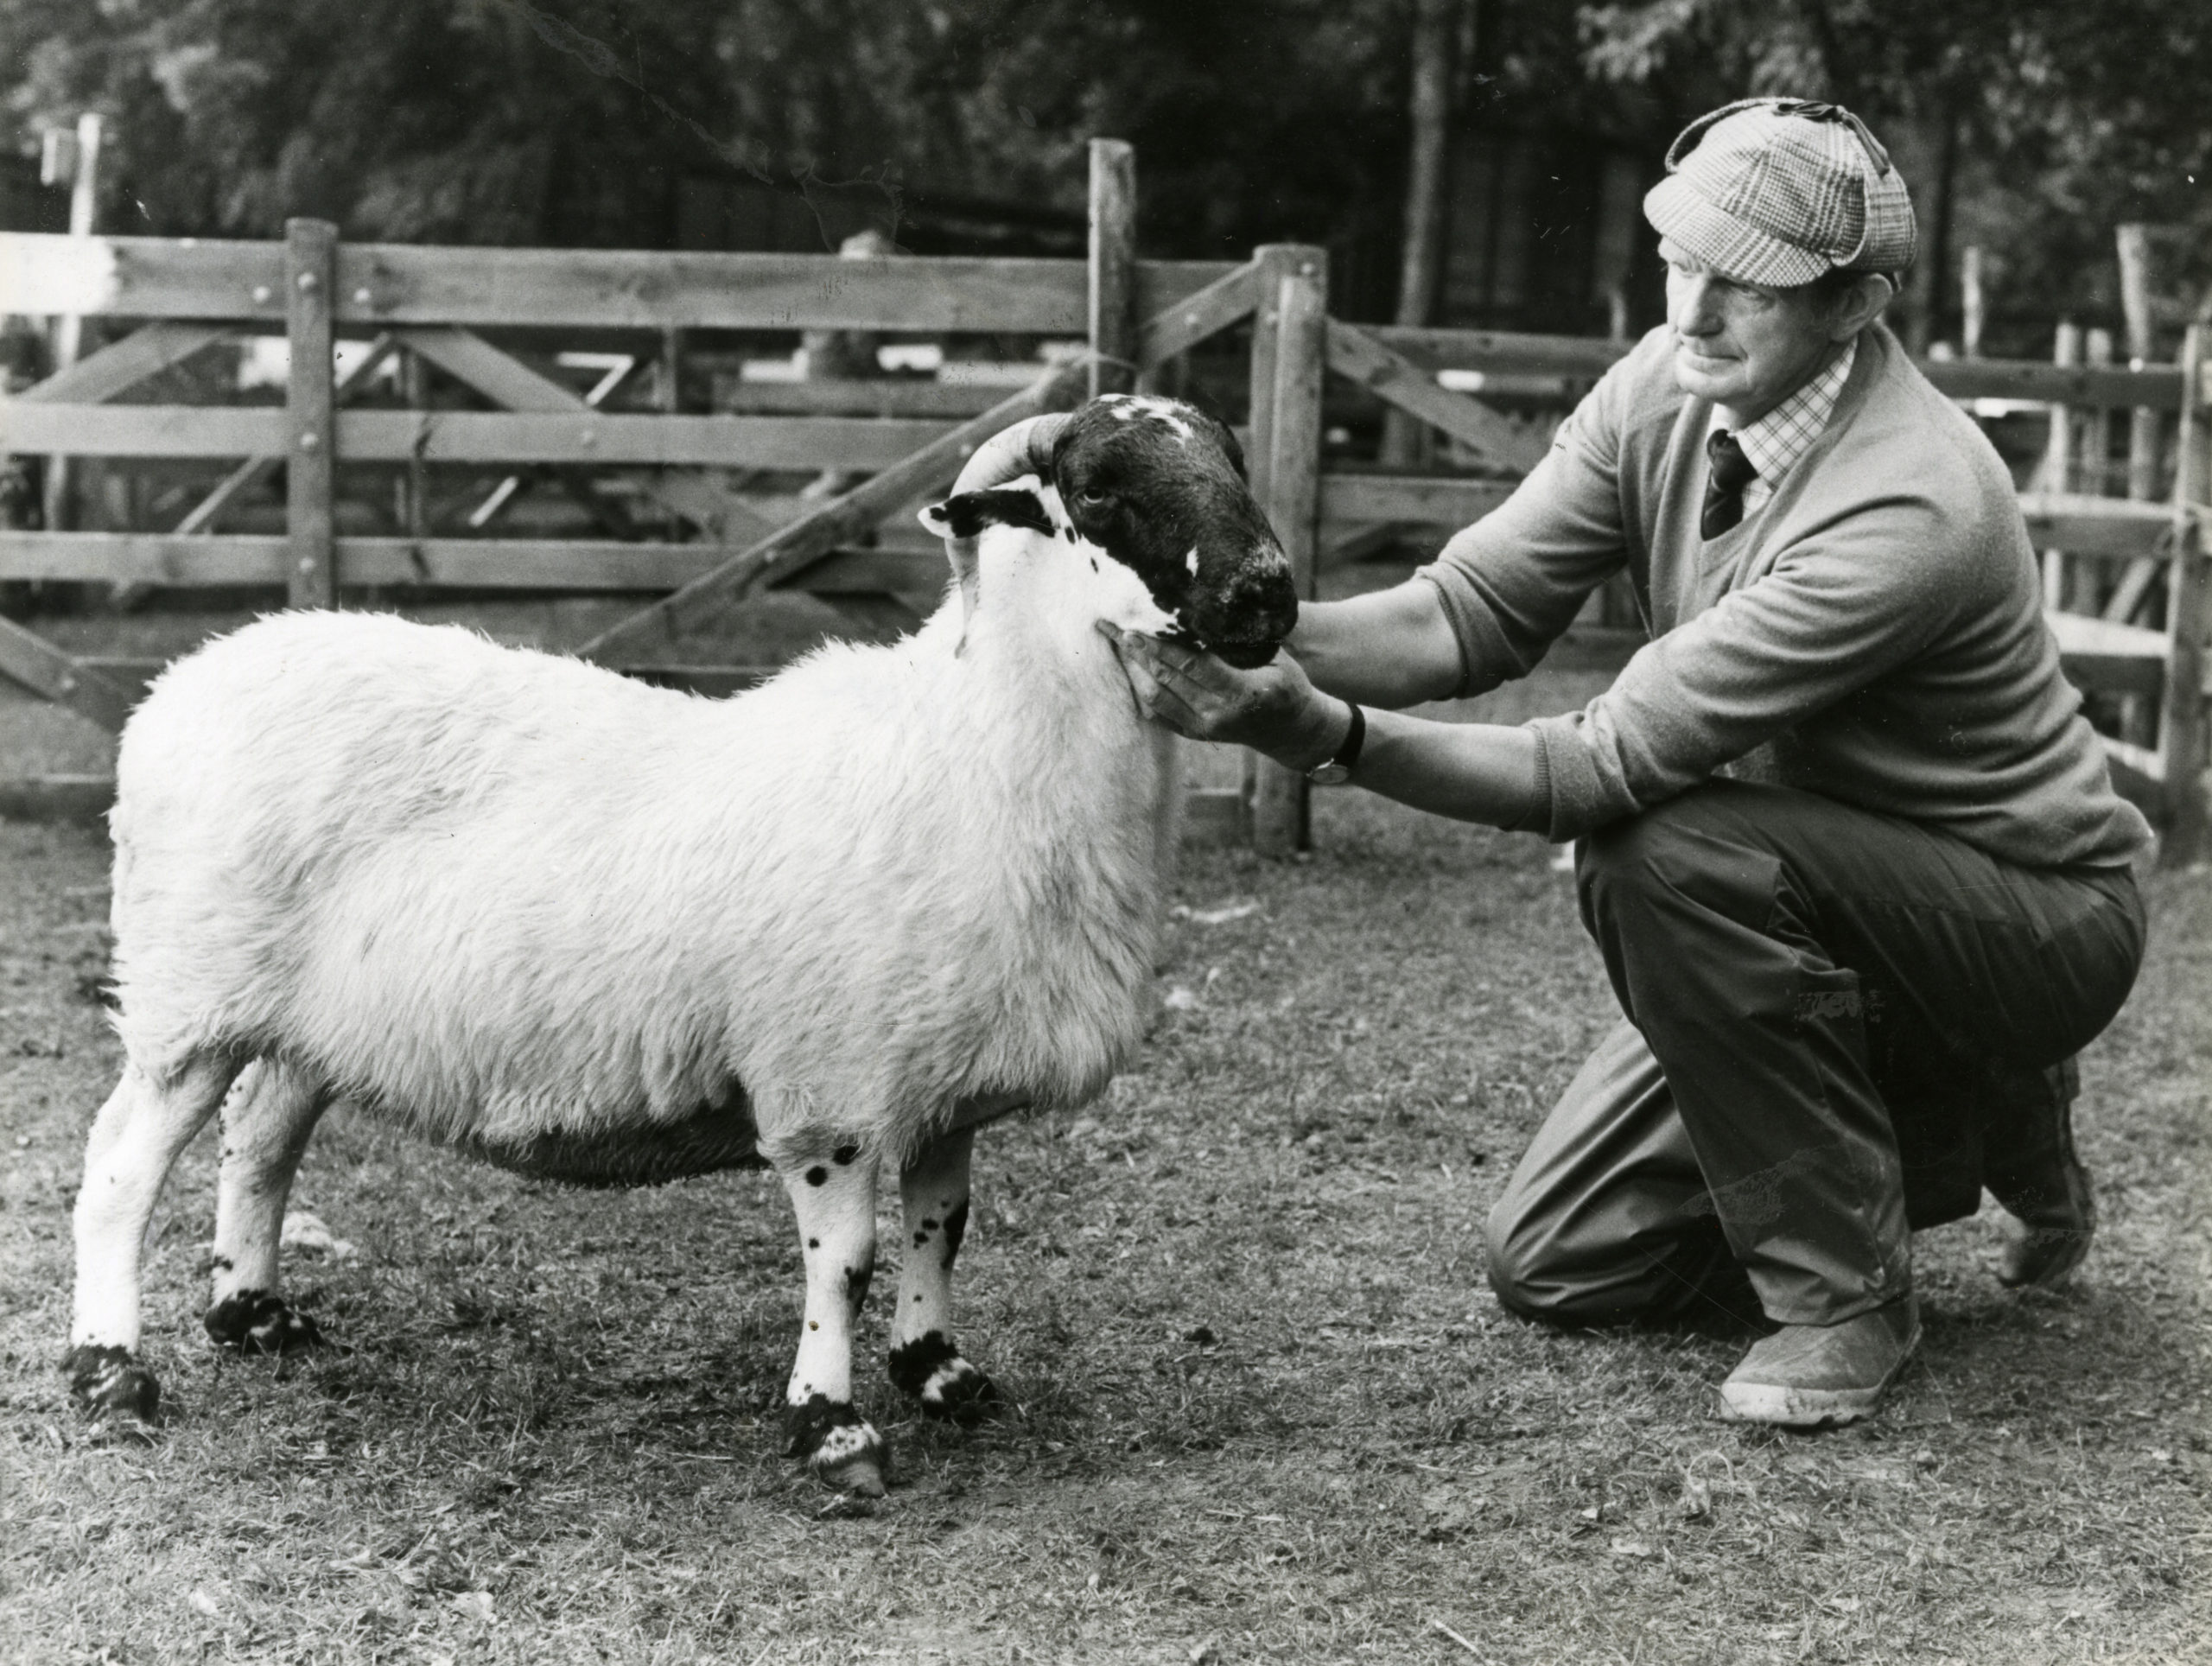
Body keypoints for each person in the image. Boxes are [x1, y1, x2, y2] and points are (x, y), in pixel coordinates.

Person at [953, 97, 2150, 1429]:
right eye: (1680, 262)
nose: (1689, 310)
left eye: (1742, 285)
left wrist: (1316, 732)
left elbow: (1598, 769)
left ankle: (1850, 1292)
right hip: (1826, 890)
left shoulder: (1911, 502)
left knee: (1665, 853)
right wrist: (1241, 624)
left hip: (2028, 914)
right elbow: (1469, 612)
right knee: (1565, 1262)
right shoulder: (1667, 385)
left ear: (1857, 304)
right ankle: (1961, 1111)